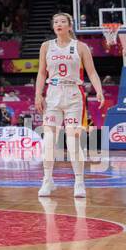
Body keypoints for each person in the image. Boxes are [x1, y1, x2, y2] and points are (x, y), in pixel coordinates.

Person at [34, 13, 104, 199]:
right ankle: (47, 180)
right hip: (53, 93)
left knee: (73, 141)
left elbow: (92, 72)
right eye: (56, 21)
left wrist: (99, 90)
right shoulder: (46, 46)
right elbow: (41, 73)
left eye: (63, 21)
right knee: (49, 140)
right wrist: (37, 94)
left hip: (74, 94)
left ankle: (79, 181)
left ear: (70, 26)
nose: (59, 24)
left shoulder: (80, 47)